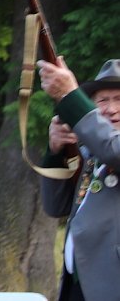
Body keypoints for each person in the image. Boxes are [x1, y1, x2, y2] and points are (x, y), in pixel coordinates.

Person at [39, 58, 120, 301]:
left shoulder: (108, 150)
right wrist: (57, 150)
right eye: (102, 100)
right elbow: (56, 206)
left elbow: (113, 150)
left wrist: (69, 96)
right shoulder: (89, 155)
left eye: (119, 100)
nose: (111, 109)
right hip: (80, 281)